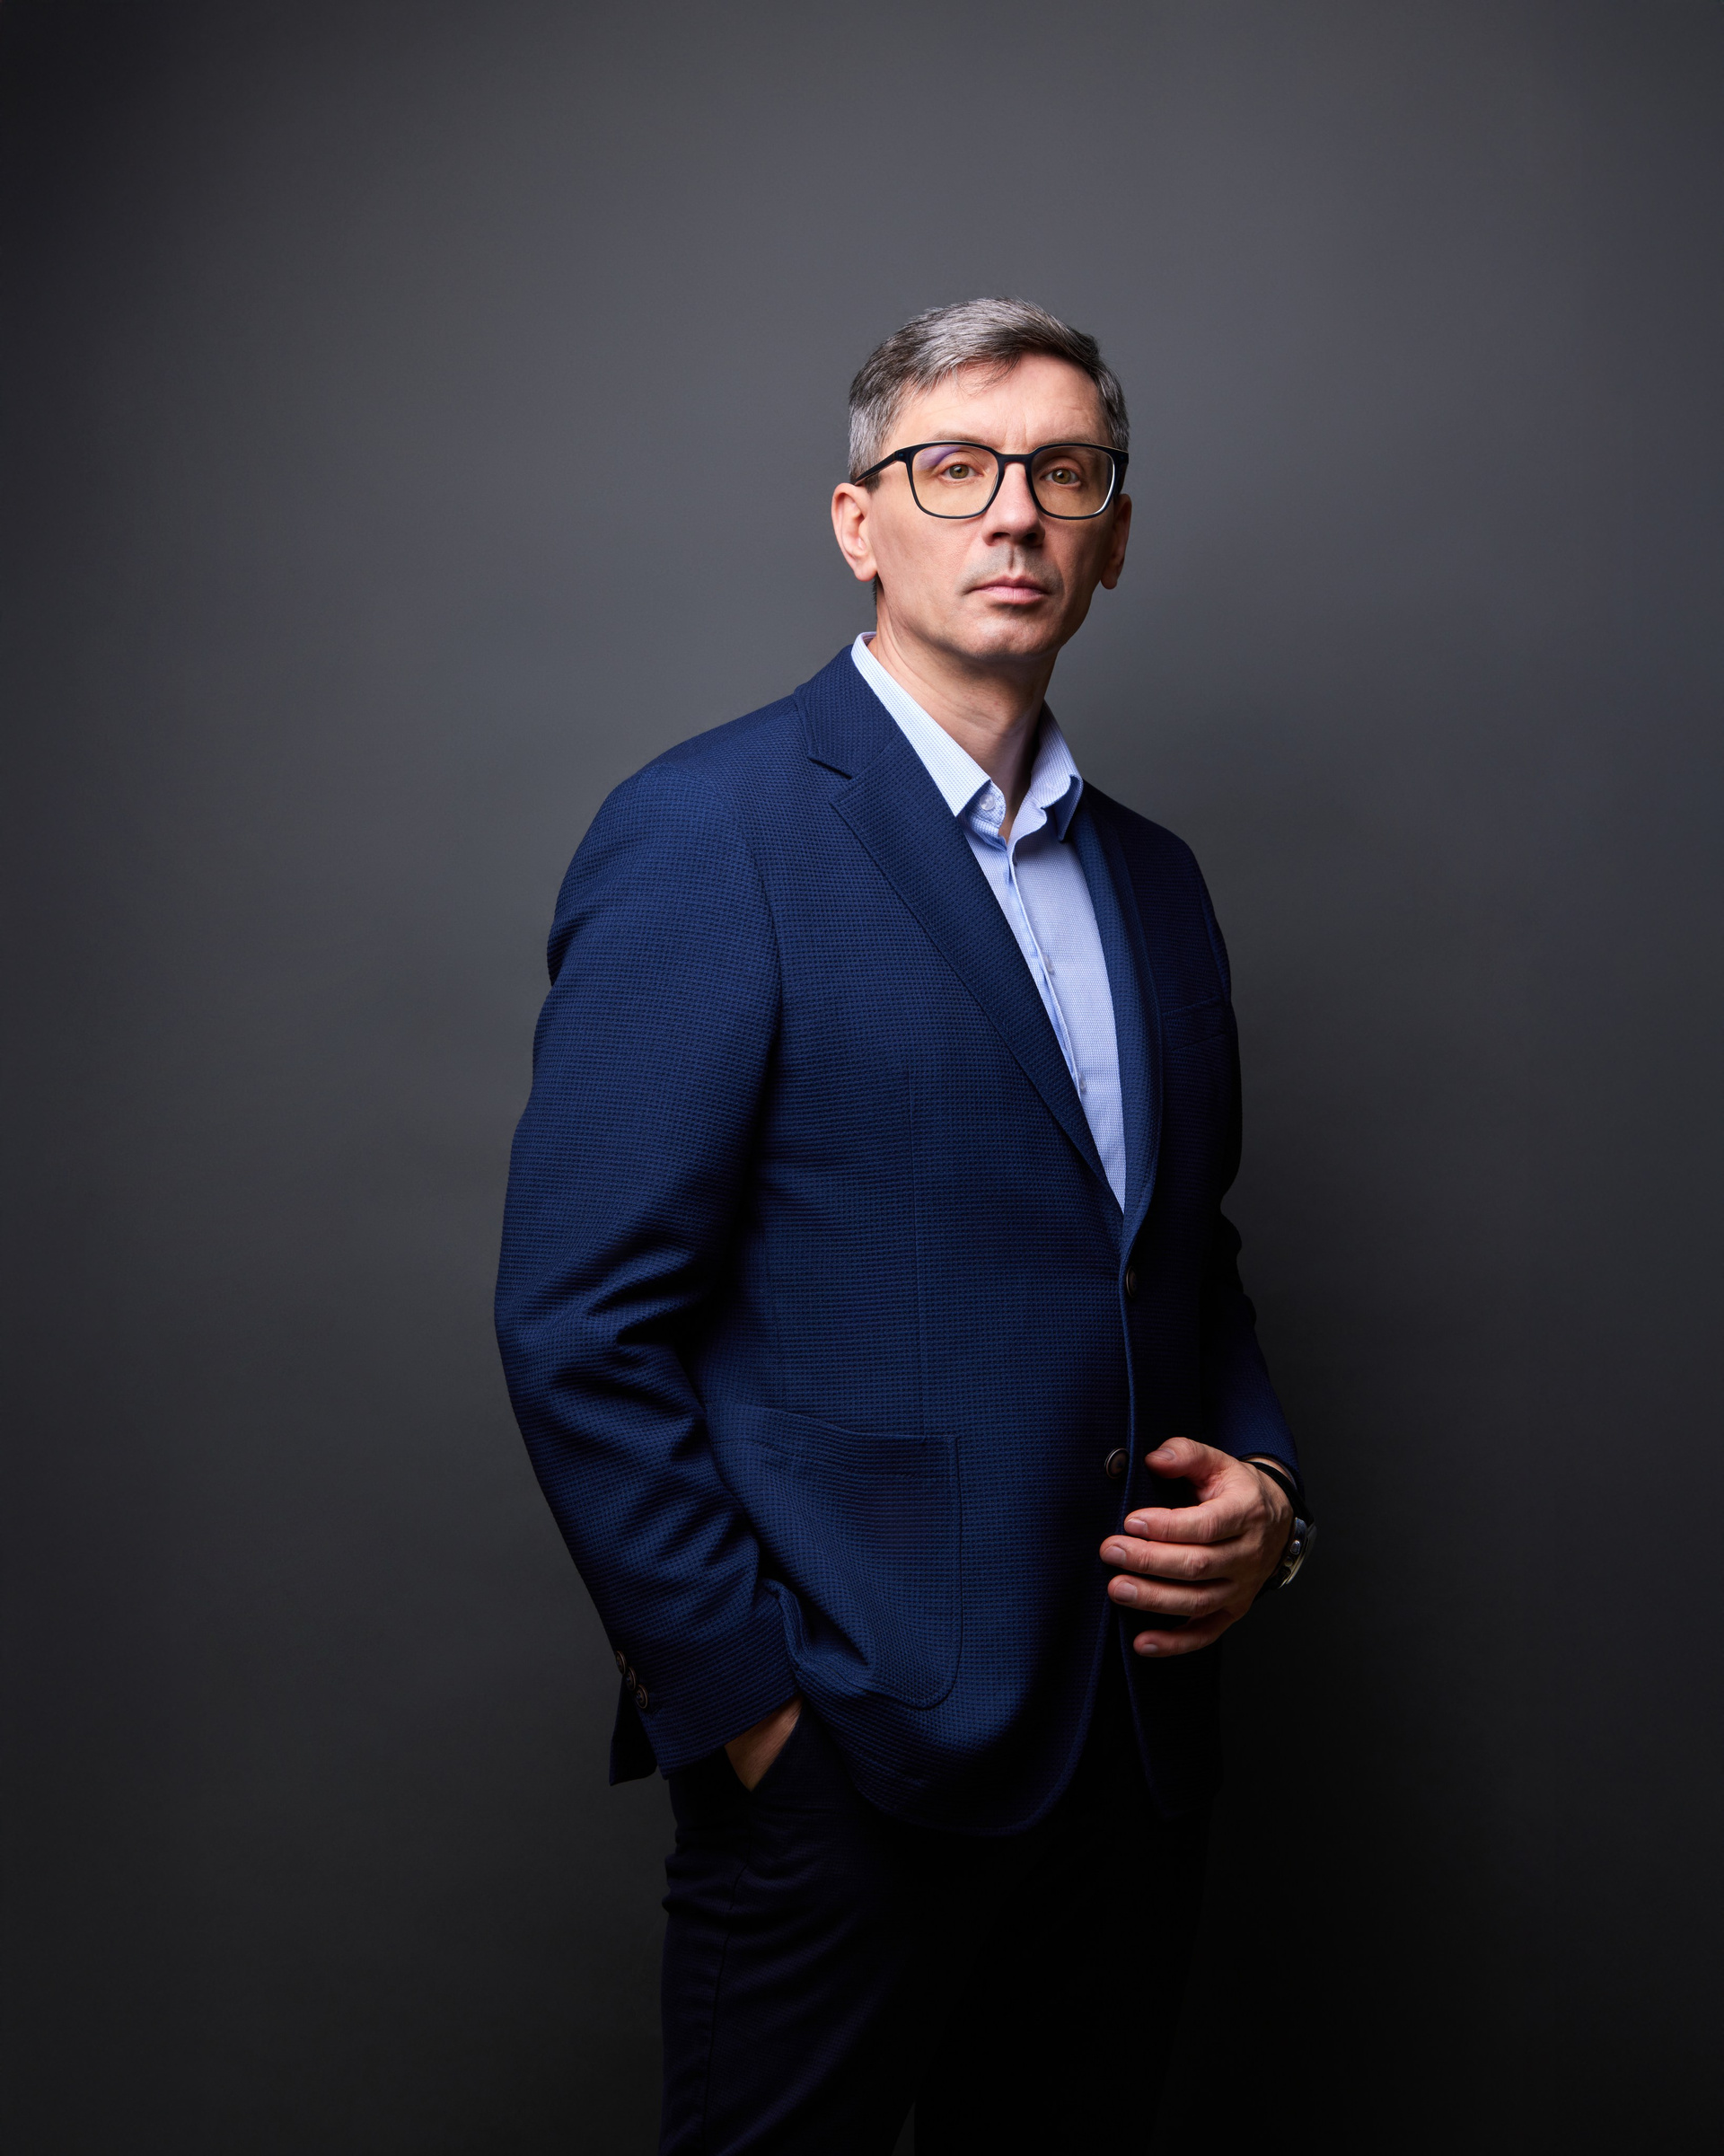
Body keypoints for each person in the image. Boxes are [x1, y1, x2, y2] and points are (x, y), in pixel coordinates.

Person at [496, 296, 1313, 2155]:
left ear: (1114, 535)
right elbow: (577, 1323)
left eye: (1065, 472)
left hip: (1131, 1755)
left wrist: (1270, 1490)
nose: (1014, 511)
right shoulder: (709, 833)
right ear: (860, 522)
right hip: (847, 1765)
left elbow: (1180, 1260)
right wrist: (751, 1713)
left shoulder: (1159, 883)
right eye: (957, 468)